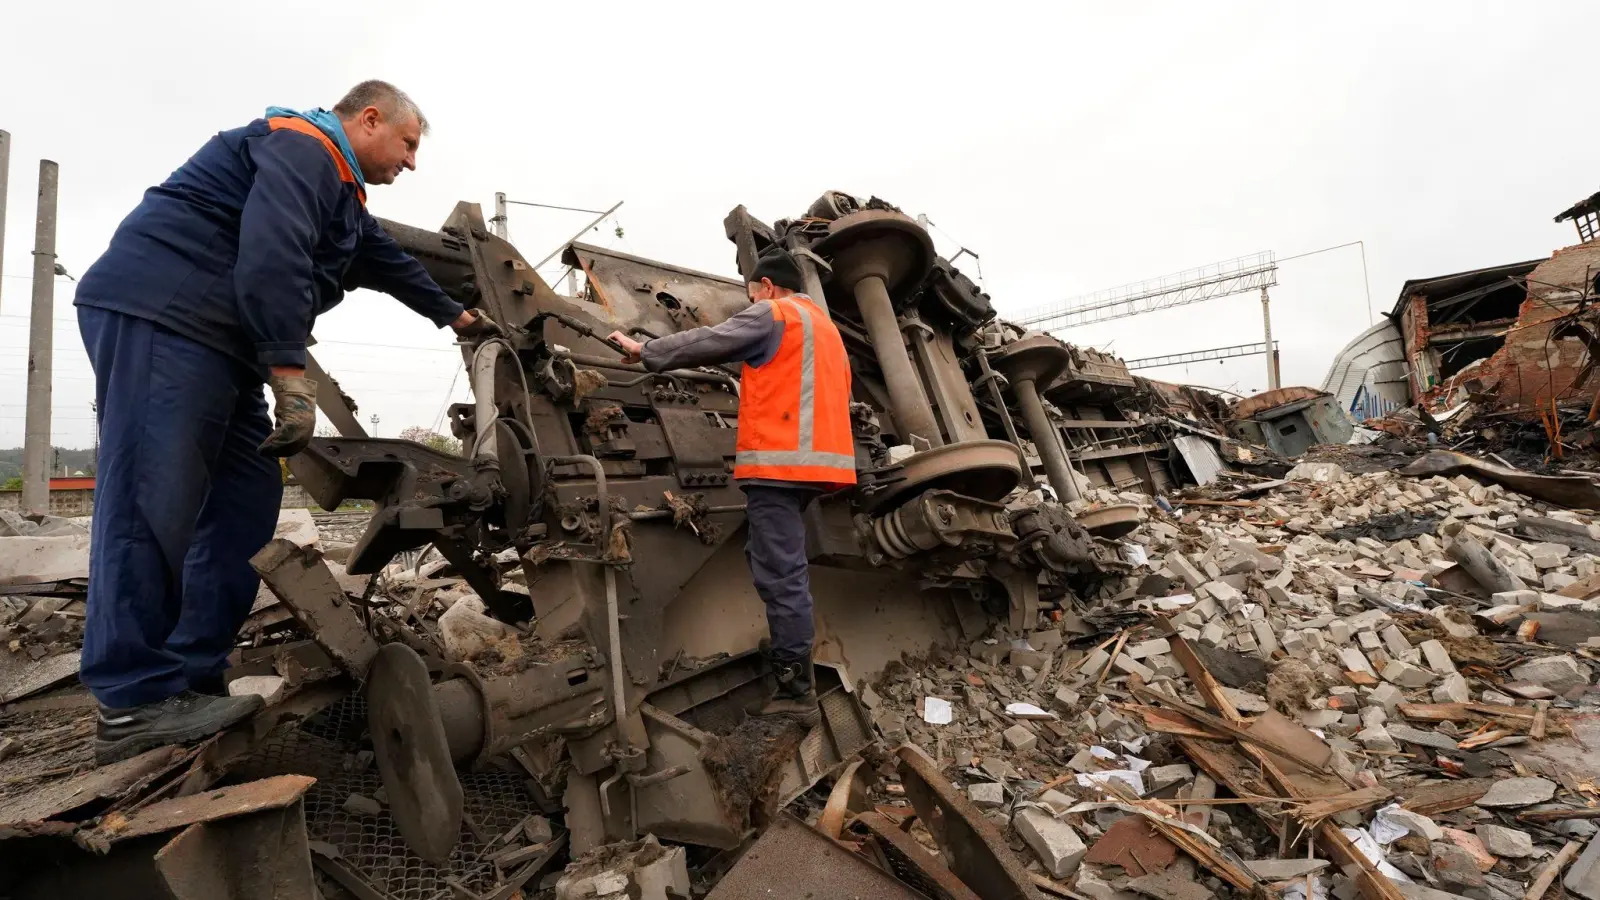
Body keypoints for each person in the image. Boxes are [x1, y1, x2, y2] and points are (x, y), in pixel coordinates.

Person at [73, 80, 501, 764]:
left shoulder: (343, 198)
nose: (411, 162)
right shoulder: (302, 149)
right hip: (166, 316)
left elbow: (387, 262)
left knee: (244, 500)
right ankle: (131, 699)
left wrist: (459, 316)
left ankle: (190, 675)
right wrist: (289, 373)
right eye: (407, 144)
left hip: (222, 344)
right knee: (152, 499)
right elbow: (274, 256)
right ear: (368, 120)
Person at [608, 247, 855, 723]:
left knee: (781, 575)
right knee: (772, 559)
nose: (751, 303)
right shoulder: (824, 328)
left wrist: (646, 352)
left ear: (767, 287)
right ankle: (789, 648)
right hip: (819, 467)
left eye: (751, 295)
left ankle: (795, 689)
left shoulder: (774, 313)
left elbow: (713, 338)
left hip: (779, 467)